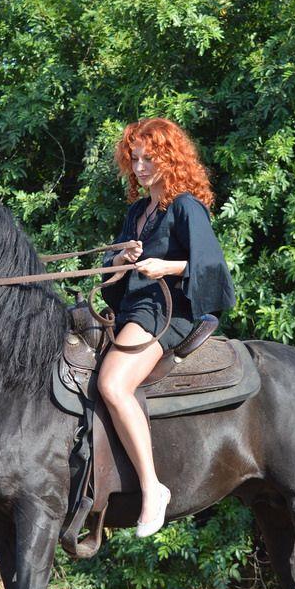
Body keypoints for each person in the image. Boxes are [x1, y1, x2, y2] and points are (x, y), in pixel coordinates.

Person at [97, 117, 236, 538]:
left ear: (169, 158)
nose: (139, 167)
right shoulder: (138, 212)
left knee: (114, 385)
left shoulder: (185, 206)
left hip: (167, 311)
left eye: (148, 158)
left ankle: (152, 488)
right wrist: (118, 262)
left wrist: (167, 266)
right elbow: (111, 279)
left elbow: (214, 269)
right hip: (134, 307)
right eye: (134, 158)